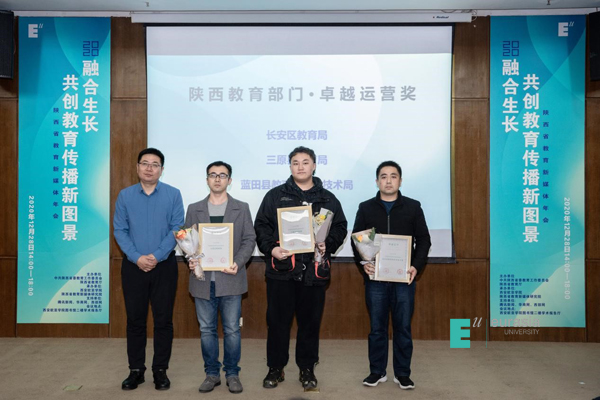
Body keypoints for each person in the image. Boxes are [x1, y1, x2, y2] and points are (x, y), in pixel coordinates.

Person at [254, 146, 347, 390]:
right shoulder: (275, 196)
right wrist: (271, 249)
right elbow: (261, 225)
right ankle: (276, 368)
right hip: (282, 271)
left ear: (314, 166)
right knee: (277, 323)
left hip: (313, 273)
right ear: (290, 167)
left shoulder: (328, 198)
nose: (300, 166)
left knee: (310, 324)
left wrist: (328, 244)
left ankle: (307, 369)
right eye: (295, 162)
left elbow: (340, 227)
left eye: (305, 162)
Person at [352, 160, 431, 390]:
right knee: (377, 328)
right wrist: (364, 264)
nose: (388, 181)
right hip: (375, 279)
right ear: (377, 181)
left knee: (403, 327)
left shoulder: (413, 207)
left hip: (403, 278)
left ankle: (403, 373)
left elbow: (424, 240)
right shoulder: (366, 207)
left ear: (400, 181)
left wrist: (416, 266)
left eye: (393, 176)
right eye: (384, 176)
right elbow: (357, 239)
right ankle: (377, 372)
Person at [113, 148, 184, 391]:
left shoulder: (173, 194)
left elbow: (177, 228)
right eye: (145, 163)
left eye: (155, 164)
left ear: (162, 170)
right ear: (137, 167)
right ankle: (136, 370)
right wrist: (136, 257)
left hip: (164, 266)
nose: (149, 168)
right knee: (135, 320)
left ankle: (160, 370)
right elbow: (120, 230)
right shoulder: (125, 195)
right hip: (133, 267)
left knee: (163, 321)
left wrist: (156, 255)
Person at [186, 161, 256, 394]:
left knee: (232, 330)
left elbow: (249, 239)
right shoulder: (194, 208)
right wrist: (191, 258)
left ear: (229, 180)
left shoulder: (241, 208)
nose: (217, 179)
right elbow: (187, 240)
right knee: (207, 330)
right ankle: (212, 374)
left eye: (222, 175)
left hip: (231, 278)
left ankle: (232, 374)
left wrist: (238, 261)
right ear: (207, 179)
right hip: (202, 280)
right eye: (213, 175)